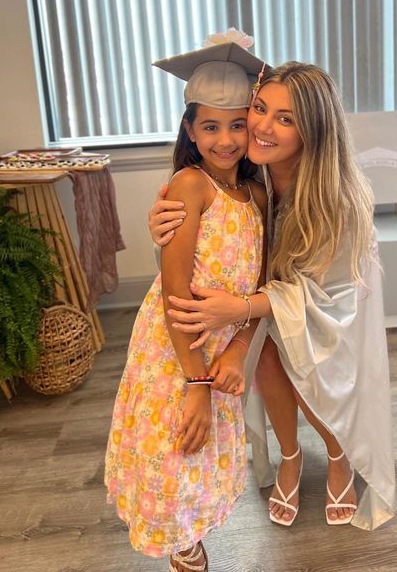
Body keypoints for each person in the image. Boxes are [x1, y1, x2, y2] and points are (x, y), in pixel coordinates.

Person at [150, 61, 396, 530]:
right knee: (265, 354)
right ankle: (290, 454)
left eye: (285, 119)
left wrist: (242, 308)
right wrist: (165, 224)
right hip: (264, 298)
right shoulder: (246, 171)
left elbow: (328, 293)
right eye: (260, 108)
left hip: (332, 303)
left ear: (313, 131)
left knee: (310, 364)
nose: (262, 126)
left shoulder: (336, 198)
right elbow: (207, 236)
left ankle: (339, 454)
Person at [105, 41, 268, 572]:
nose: (226, 139)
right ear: (190, 131)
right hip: (175, 352)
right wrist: (196, 382)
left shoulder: (257, 196)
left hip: (220, 352)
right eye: (211, 126)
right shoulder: (190, 185)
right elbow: (175, 294)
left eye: (237, 125)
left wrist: (238, 348)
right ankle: (182, 548)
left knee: (204, 451)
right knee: (173, 448)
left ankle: (190, 536)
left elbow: (263, 284)